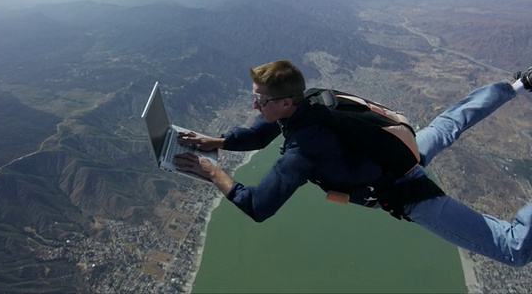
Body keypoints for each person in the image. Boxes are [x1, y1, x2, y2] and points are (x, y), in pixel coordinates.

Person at [173, 59, 532, 267]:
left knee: (513, 249)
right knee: (451, 123)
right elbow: (259, 132)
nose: (255, 107)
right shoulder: (311, 100)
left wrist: (211, 171)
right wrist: (216, 142)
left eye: (260, 100)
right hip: (399, 147)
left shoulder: (303, 151)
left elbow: (257, 206)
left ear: (285, 102)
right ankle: (519, 84)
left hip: (405, 189)